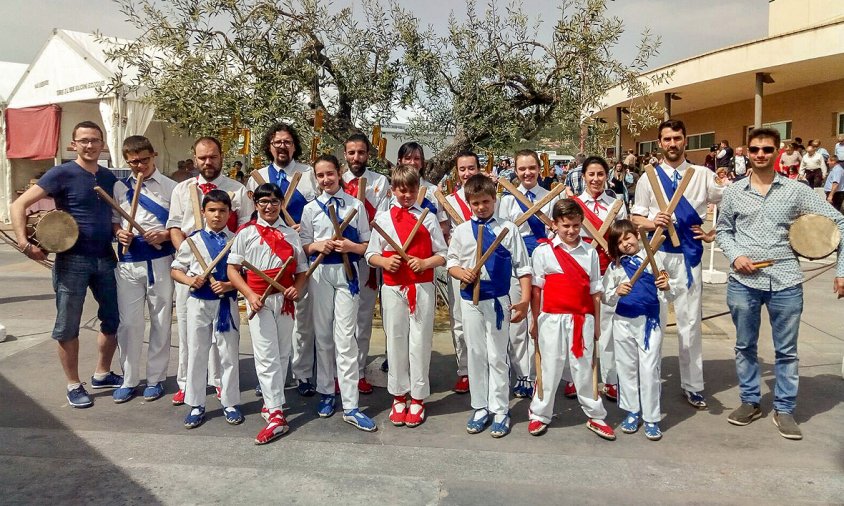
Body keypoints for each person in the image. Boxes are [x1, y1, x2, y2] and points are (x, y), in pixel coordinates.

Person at [716, 127, 844, 440]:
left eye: (767, 149)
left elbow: (839, 221)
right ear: (747, 151)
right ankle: (750, 402)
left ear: (778, 152)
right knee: (745, 345)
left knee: (786, 350)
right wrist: (735, 257)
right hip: (743, 281)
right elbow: (723, 231)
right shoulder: (733, 191)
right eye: (755, 149)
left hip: (786, 280)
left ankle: (784, 408)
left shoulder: (796, 190)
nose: (761, 154)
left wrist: (841, 270)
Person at [10, 121, 122, 408]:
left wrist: (118, 232)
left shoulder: (109, 177)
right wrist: (25, 243)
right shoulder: (62, 173)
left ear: (102, 143)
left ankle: (102, 372)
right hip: (72, 261)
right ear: (73, 144)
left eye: (95, 140)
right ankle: (73, 384)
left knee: (112, 319)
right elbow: (18, 206)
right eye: (83, 140)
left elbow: (110, 218)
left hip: (106, 259)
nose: (89, 145)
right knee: (68, 325)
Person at [631, 119, 727, 409]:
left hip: (689, 254)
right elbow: (635, 218)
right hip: (656, 255)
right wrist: (652, 221)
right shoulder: (648, 177)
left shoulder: (702, 175)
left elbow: (731, 202)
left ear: (685, 140)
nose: (672, 144)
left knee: (690, 322)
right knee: (653, 320)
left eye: (677, 138)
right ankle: (649, 380)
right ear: (659, 143)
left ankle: (693, 385)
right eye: (667, 139)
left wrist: (715, 232)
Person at [167, 137, 253, 405]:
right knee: (190, 334)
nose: (207, 162)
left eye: (212, 157)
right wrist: (193, 257)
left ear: (221, 157)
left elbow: (247, 230)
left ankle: (220, 385)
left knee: (224, 341)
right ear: (195, 159)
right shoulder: (182, 189)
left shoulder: (237, 190)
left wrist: (230, 273)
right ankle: (187, 386)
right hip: (193, 270)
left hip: (225, 268)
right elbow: (174, 228)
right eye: (202, 158)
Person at [447, 174, 531, 438]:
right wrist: (462, 273)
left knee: (497, 355)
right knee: (476, 353)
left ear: (495, 200)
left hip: (498, 300)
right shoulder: (461, 231)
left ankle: (500, 409)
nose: (481, 207)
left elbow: (524, 267)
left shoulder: (508, 229)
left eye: (486, 201)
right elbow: (451, 262)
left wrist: (525, 300)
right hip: (470, 300)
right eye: (476, 203)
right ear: (468, 203)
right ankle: (480, 406)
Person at [366, 165, 447, 427]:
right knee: (396, 341)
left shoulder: (428, 218)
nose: (406, 195)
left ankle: (419, 397)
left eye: (411, 190)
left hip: (422, 286)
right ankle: (399, 396)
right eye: (401, 190)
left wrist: (425, 264)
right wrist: (383, 262)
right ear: (392, 191)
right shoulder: (384, 219)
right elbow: (370, 254)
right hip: (392, 288)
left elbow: (443, 254)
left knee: (420, 342)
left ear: (417, 190)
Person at [227, 184, 308, 444]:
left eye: (274, 201)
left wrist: (296, 289)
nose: (269, 206)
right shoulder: (246, 233)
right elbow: (232, 270)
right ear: (256, 203)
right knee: (266, 356)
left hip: (283, 301)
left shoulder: (291, 235)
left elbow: (302, 270)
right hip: (258, 301)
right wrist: (249, 295)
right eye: (263, 201)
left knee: (283, 353)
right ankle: (275, 413)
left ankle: (274, 403)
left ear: (281, 203)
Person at [300, 154, 376, 432]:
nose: (326, 180)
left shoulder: (355, 205)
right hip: (320, 275)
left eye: (330, 174)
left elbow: (368, 243)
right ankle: (326, 392)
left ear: (339, 172)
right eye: (320, 176)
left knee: (346, 338)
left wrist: (351, 247)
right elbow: (305, 246)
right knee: (323, 335)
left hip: (348, 274)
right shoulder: (310, 209)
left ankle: (352, 405)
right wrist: (319, 245)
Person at [527, 199, 614, 440]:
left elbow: (596, 291)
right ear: (555, 224)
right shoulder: (542, 252)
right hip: (551, 319)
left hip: (581, 319)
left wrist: (596, 324)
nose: (571, 231)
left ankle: (595, 415)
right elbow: (537, 291)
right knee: (550, 367)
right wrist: (534, 320)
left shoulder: (590, 252)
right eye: (565, 225)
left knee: (584, 367)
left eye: (576, 225)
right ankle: (539, 413)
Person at [247, 123, 319, 397]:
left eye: (287, 142)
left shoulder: (308, 174)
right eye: (277, 142)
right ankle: (269, 377)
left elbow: (315, 211)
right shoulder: (257, 177)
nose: (282, 146)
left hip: (300, 253)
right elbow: (252, 216)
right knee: (269, 319)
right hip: (267, 256)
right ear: (269, 145)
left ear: (294, 146)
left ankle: (302, 374)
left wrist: (303, 227)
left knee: (301, 319)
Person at [111, 136, 177, 403]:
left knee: (160, 320)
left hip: (161, 259)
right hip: (128, 261)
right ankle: (128, 378)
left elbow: (180, 225)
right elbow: (114, 222)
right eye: (133, 162)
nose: (139, 166)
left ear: (155, 156)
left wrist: (164, 235)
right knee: (129, 323)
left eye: (144, 160)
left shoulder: (172, 188)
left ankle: (156, 378)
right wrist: (119, 233)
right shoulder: (118, 187)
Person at [170, 190, 243, 430]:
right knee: (197, 352)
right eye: (212, 210)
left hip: (226, 303)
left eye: (222, 210)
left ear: (229, 213)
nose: (217, 215)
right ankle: (196, 403)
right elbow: (175, 270)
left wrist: (230, 284)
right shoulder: (193, 241)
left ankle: (230, 401)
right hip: (199, 303)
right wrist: (190, 281)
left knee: (229, 353)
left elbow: (246, 276)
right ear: (203, 212)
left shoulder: (237, 240)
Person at [602, 219, 675, 441]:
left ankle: (652, 417)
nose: (626, 244)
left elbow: (672, 294)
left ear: (636, 235)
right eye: (620, 241)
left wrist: (666, 286)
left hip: (649, 322)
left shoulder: (654, 257)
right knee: (626, 367)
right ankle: (632, 411)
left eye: (628, 237)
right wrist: (616, 292)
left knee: (650, 369)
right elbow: (605, 297)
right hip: (623, 322)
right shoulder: (615, 267)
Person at [497, 149, 560, 399]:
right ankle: (522, 373)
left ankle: (542, 372)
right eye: (522, 168)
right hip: (516, 264)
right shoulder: (507, 200)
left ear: (539, 168)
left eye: (531, 168)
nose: (527, 173)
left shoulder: (552, 196)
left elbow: (558, 230)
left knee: (542, 317)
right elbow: (504, 234)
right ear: (515, 170)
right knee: (518, 319)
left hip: (544, 261)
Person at [568, 156, 628, 402]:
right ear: (583, 176)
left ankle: (611, 379)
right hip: (580, 270)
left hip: (608, 271)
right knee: (578, 325)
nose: (595, 179)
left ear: (607, 175)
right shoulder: (573, 204)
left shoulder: (617, 204)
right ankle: (574, 378)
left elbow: (622, 237)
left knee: (606, 328)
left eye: (600, 174)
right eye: (591, 174)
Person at [342, 133, 391, 394]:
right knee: (340, 321)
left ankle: (359, 371)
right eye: (351, 153)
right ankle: (340, 373)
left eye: (361, 153)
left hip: (367, 258)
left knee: (362, 319)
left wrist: (362, 245)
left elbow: (380, 220)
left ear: (368, 155)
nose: (356, 158)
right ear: (345, 154)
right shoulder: (336, 180)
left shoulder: (380, 182)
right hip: (338, 259)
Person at [444, 151, 482, 393]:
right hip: (459, 267)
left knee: (488, 319)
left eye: (471, 168)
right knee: (459, 320)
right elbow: (444, 233)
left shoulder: (489, 198)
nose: (467, 173)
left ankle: (486, 367)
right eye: (462, 169)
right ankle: (465, 370)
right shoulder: (447, 201)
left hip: (488, 268)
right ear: (456, 172)